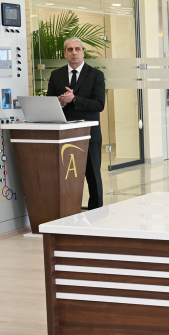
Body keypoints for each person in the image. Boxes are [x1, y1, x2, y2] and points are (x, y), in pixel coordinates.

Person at [46, 38, 106, 209]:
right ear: (65, 53)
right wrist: (60, 103)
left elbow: (99, 105)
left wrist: (74, 99)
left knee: (93, 177)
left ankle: (96, 212)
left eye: (77, 49)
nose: (74, 53)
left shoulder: (96, 75)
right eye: (70, 49)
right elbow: (49, 102)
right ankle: (69, 210)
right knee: (67, 176)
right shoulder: (56, 75)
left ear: (83, 52)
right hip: (65, 135)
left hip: (89, 135)